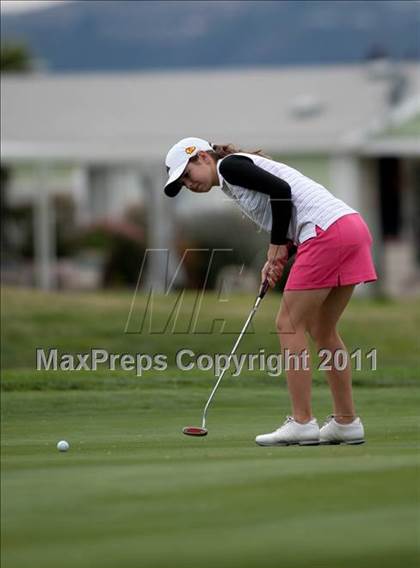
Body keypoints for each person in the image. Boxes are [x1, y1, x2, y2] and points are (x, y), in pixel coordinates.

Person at [163, 137, 377, 446]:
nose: (188, 184)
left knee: (288, 324)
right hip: (347, 228)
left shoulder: (230, 166)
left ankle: (302, 422)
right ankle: (346, 422)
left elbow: (282, 193)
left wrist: (277, 246)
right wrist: (278, 253)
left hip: (326, 232)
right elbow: (289, 213)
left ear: (202, 158)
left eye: (187, 174)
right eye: (181, 183)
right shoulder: (233, 176)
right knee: (322, 328)